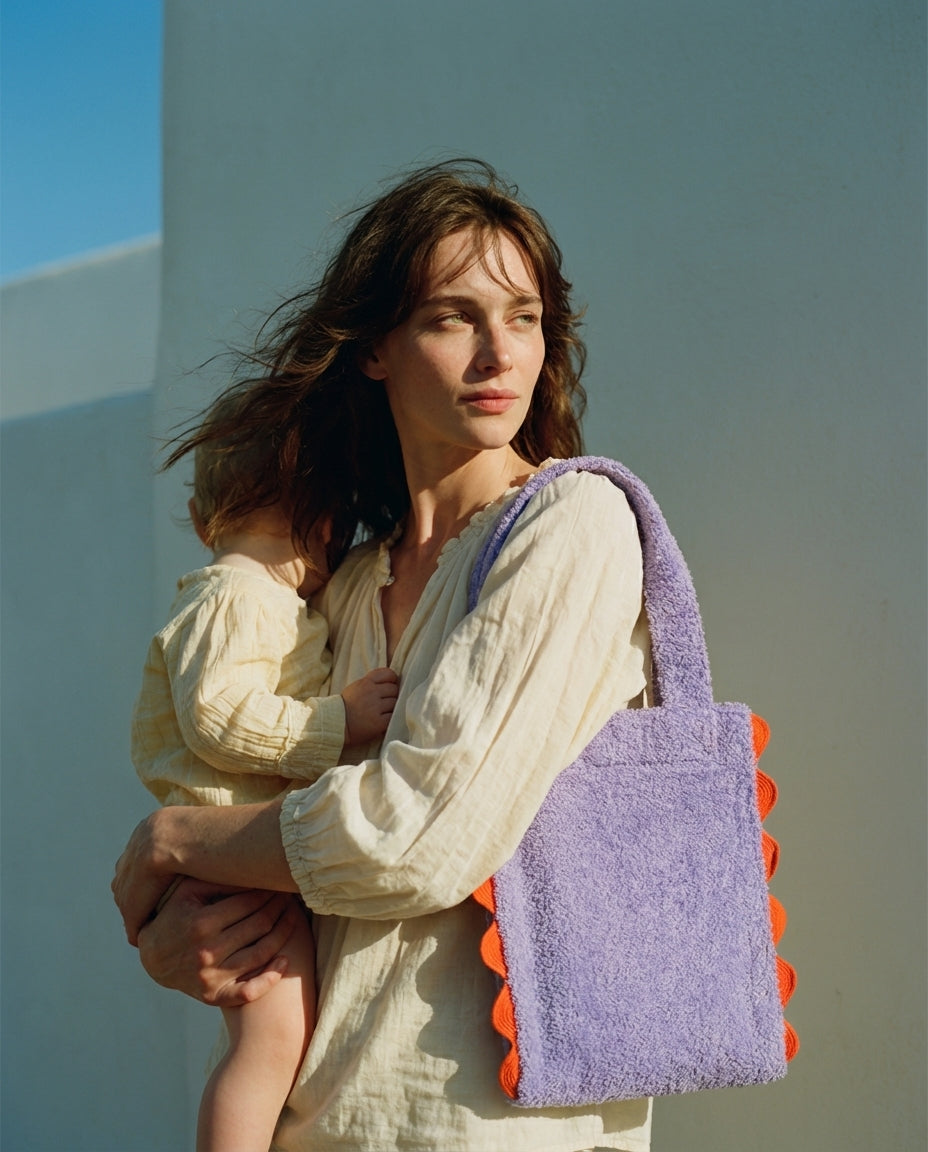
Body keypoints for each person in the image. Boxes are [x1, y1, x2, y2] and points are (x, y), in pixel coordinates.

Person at [114, 159, 653, 1151]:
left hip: (491, 1130)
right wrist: (180, 933)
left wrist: (173, 843)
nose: (499, 352)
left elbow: (414, 840)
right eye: (453, 317)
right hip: (318, 1125)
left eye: (524, 317)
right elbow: (263, 821)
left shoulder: (571, 524)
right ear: (373, 348)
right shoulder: (343, 586)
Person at [131, 383, 398, 1151]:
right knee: (270, 1041)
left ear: (199, 516)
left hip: (236, 855)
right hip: (231, 858)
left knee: (276, 1037)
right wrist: (337, 721)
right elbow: (219, 717)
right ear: (324, 523)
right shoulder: (236, 595)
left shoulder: (252, 599)